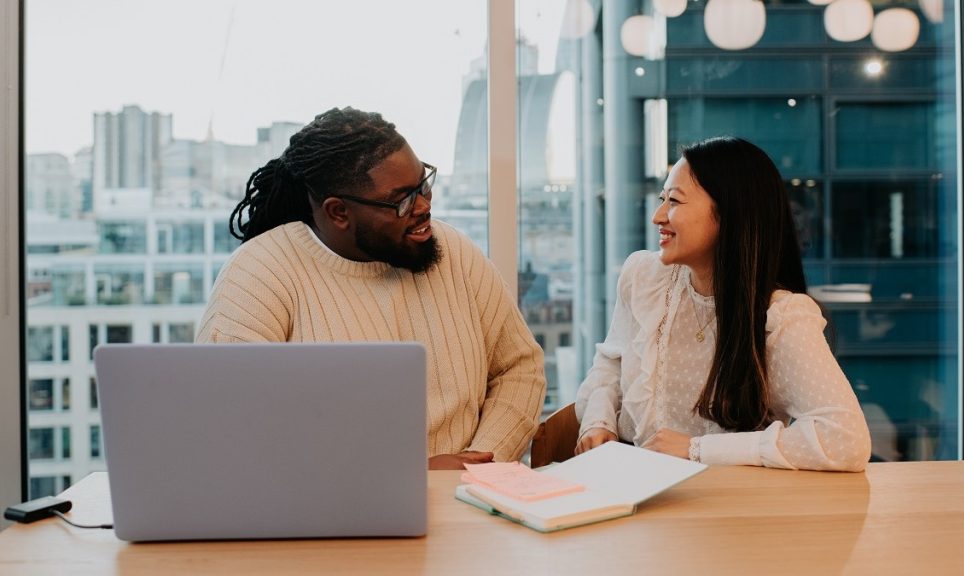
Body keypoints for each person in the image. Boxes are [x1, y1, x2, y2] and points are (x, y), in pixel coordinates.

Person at [196, 107, 546, 470]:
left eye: (423, 184)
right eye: (402, 200)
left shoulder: (454, 252)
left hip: (472, 500)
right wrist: (410, 480)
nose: (425, 207)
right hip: (331, 519)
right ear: (338, 212)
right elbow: (232, 432)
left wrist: (475, 468)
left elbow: (519, 369)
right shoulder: (259, 275)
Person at [574, 137, 871, 471]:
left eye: (673, 201)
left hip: (726, 504)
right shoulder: (644, 278)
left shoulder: (780, 317)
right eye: (662, 200)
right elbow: (611, 364)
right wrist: (598, 422)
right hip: (633, 488)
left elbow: (846, 439)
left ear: (729, 214)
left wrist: (697, 449)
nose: (658, 216)